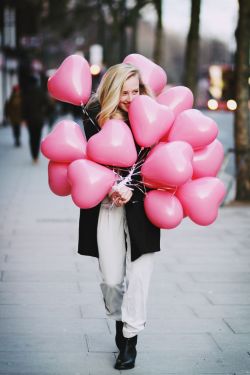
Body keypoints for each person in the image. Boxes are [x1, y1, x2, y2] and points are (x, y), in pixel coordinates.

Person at [78, 63, 161, 370]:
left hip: (143, 208)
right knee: (112, 280)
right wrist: (112, 187)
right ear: (112, 91)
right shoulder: (94, 119)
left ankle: (130, 339)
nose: (130, 98)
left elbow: (159, 167)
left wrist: (132, 190)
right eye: (124, 92)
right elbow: (88, 163)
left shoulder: (152, 118)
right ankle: (118, 322)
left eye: (135, 91)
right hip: (106, 205)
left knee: (140, 276)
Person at [22, 75, 47, 164]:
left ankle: (33, 156)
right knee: (38, 136)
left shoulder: (26, 93)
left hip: (29, 119)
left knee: (32, 137)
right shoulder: (40, 92)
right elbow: (47, 103)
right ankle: (36, 156)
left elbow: (24, 107)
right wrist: (45, 113)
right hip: (39, 118)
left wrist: (24, 118)